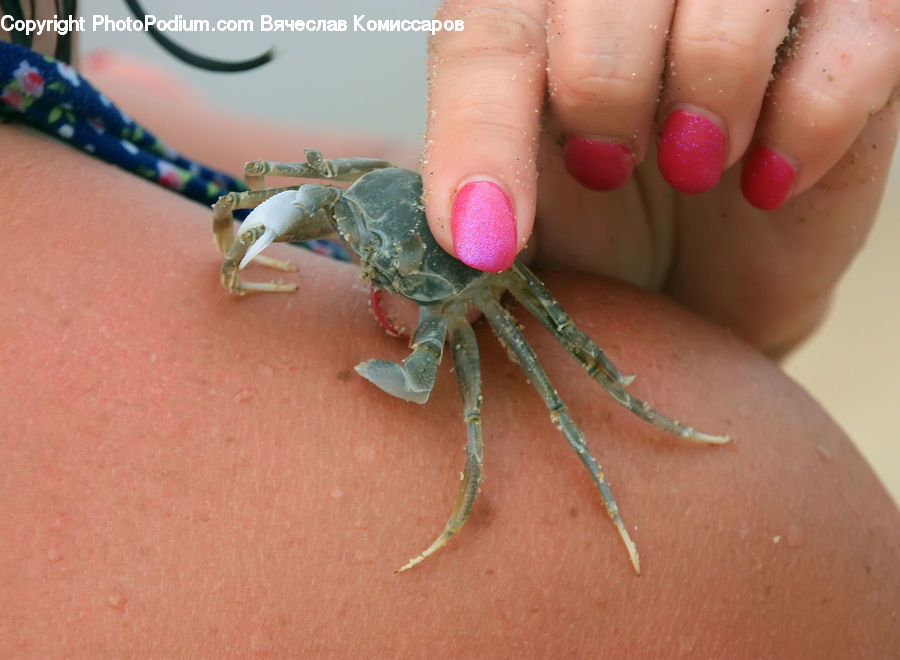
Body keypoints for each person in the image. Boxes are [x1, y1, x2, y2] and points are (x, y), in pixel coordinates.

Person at [1, 2, 897, 656]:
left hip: (483, 275)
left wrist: (662, 301)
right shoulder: (796, 531)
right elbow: (282, 190)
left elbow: (281, 187)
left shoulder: (117, 107)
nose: (369, 286)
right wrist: (709, 354)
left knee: (534, 393)